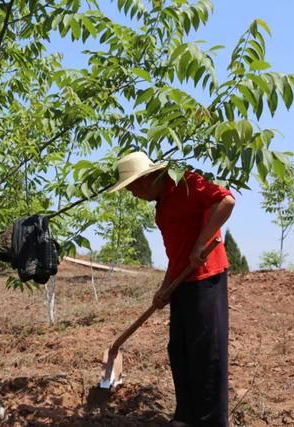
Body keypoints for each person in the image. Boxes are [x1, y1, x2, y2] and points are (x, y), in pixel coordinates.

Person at [108, 151, 235, 427]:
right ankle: (186, 416)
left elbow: (226, 200)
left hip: (206, 277)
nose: (132, 194)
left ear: (147, 179)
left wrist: (202, 242)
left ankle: (211, 421)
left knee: (207, 353)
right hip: (182, 281)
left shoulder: (186, 183)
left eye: (131, 187)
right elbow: (177, 255)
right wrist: (165, 288)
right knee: (179, 350)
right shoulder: (162, 205)